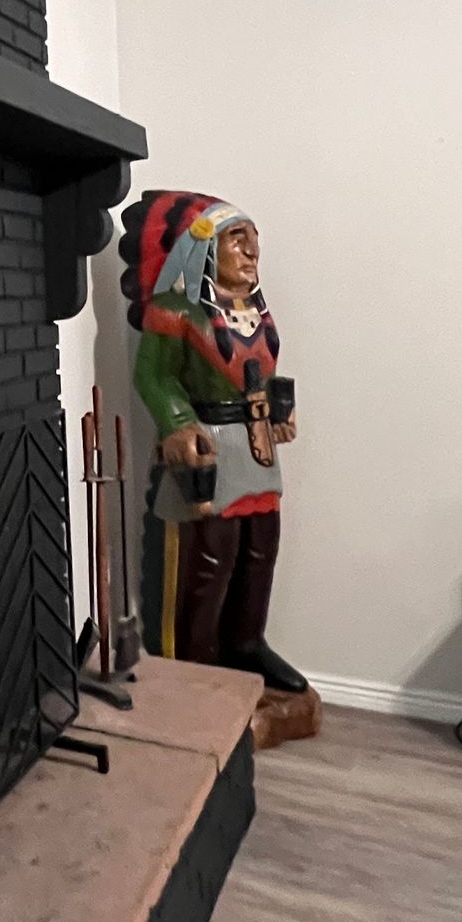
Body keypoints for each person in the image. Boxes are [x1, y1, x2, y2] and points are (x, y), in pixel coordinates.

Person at [122, 190, 310, 695]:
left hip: (257, 449)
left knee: (260, 549)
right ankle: (195, 660)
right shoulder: (175, 310)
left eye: (255, 240)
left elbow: (256, 372)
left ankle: (246, 642)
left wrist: (279, 406)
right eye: (237, 239)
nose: (251, 251)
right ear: (202, 247)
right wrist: (178, 423)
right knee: (209, 556)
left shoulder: (254, 311)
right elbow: (154, 376)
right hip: (211, 446)